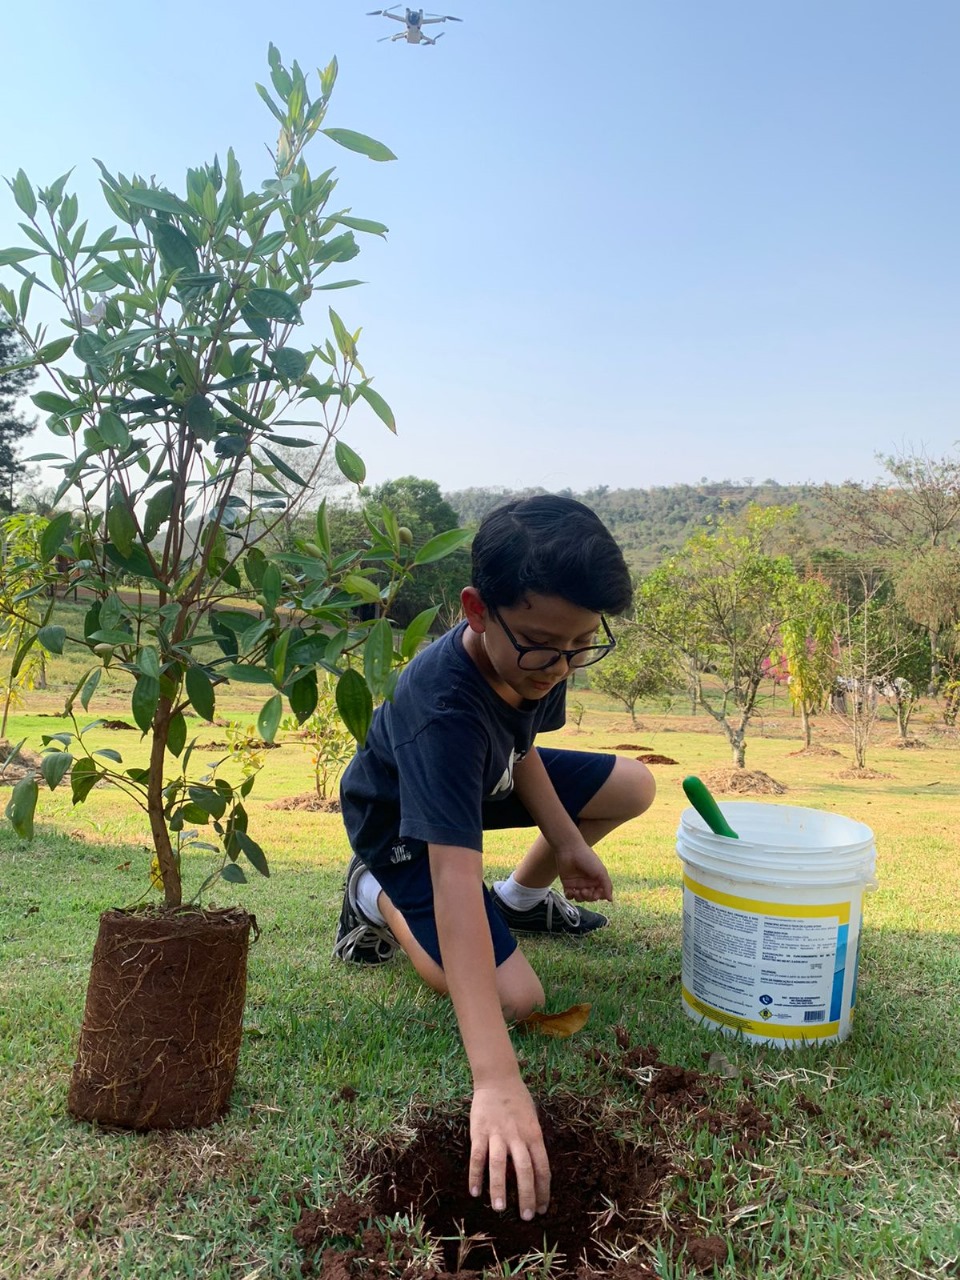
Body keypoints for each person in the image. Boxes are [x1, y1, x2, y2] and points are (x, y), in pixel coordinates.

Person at [333, 494, 656, 1222]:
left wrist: (570, 843)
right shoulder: (443, 709)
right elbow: (452, 881)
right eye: (547, 644)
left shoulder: (542, 654)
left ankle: (517, 900)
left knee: (633, 784)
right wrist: (496, 1078)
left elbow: (523, 746)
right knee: (518, 1001)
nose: (564, 664)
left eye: (582, 645)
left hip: (485, 779)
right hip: (403, 820)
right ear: (477, 610)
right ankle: (372, 893)